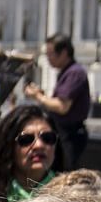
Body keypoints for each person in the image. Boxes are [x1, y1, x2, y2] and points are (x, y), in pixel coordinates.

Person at [26, 32, 91, 169]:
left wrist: (38, 96)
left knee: (66, 177)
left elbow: (62, 106)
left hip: (70, 135)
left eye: (51, 54)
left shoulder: (74, 73)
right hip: (63, 133)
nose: (48, 58)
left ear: (64, 52)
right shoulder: (67, 72)